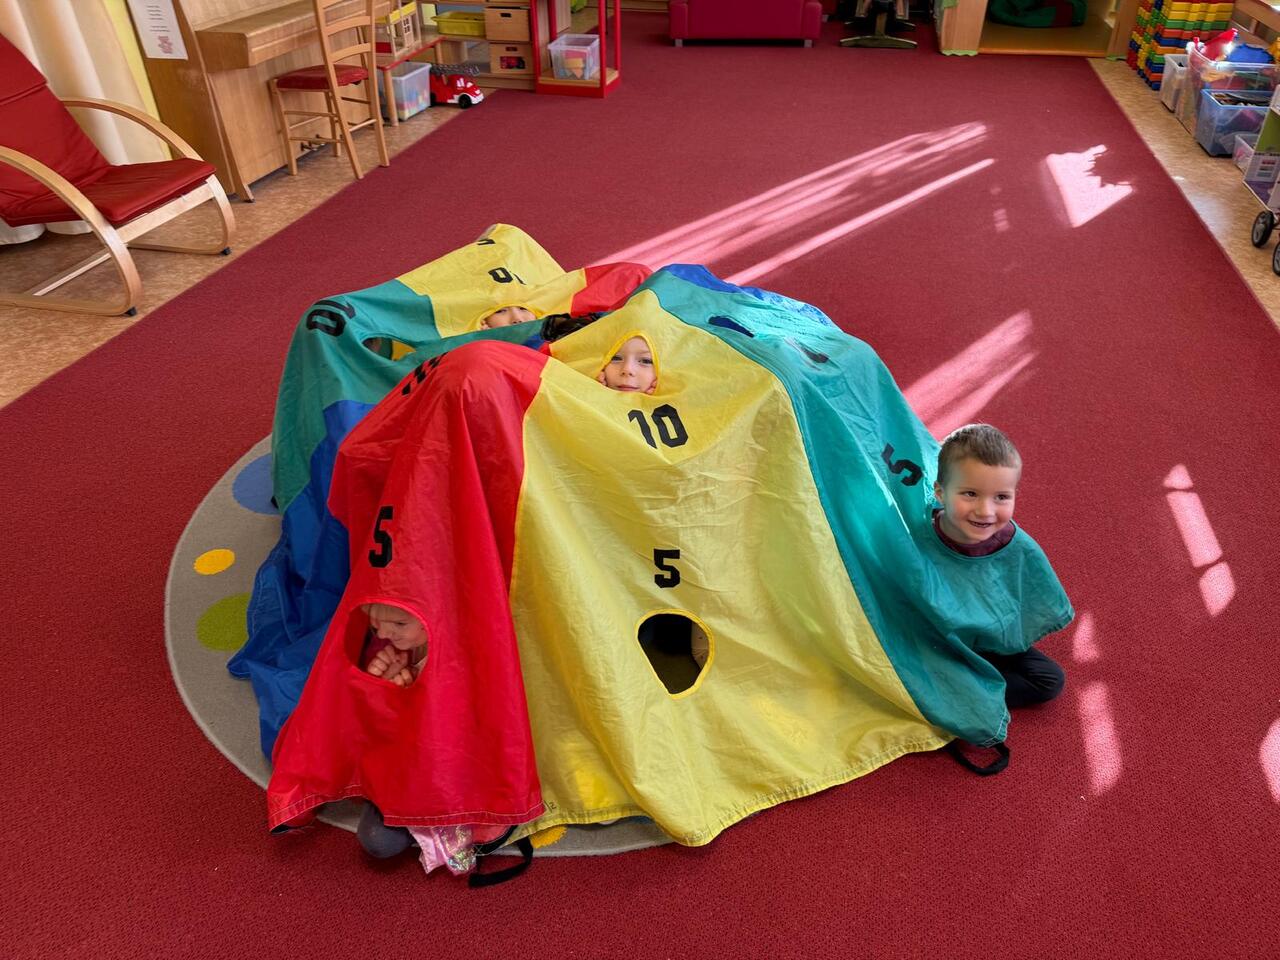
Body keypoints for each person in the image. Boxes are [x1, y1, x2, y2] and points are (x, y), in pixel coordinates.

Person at [932, 423, 1065, 708]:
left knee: (1049, 680)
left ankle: (953, 690)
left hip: (988, 638)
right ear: (941, 493)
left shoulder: (1015, 545)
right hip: (936, 640)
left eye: (1001, 497)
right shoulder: (920, 533)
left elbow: (1030, 597)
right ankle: (948, 685)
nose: (986, 511)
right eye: (970, 494)